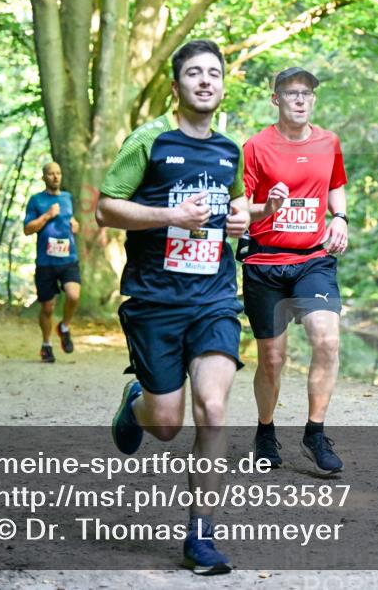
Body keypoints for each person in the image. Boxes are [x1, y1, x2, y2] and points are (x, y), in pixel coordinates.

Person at [96, 39, 249, 575]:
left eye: (213, 73)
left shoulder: (232, 150)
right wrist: (169, 217)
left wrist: (239, 219)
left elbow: (237, 203)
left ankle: (201, 536)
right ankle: (135, 399)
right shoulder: (150, 140)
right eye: (194, 74)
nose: (205, 81)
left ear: (222, 85)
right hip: (156, 300)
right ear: (176, 85)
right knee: (165, 424)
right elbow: (105, 209)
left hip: (213, 299)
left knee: (213, 407)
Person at [241, 67, 349, 476]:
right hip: (265, 262)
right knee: (272, 358)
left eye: (307, 93)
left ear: (313, 100)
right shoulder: (255, 147)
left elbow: (336, 183)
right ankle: (265, 432)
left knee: (326, 339)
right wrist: (266, 206)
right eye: (291, 94)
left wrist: (340, 217)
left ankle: (315, 433)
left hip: (312, 260)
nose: (300, 100)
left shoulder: (329, 143)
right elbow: (240, 208)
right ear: (276, 100)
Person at [24, 162, 81, 363]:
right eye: (51, 174)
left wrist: (75, 225)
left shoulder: (67, 198)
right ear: (44, 177)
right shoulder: (36, 200)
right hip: (46, 261)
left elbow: (70, 220)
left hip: (68, 258)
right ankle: (46, 345)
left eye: (58, 173)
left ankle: (64, 326)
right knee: (47, 308)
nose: (56, 177)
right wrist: (47, 215)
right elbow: (28, 229)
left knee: (73, 295)